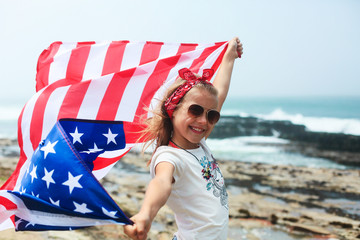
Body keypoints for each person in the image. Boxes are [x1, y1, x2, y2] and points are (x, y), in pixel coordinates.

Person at [124, 37, 243, 240]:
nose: (203, 121)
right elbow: (161, 182)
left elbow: (220, 93)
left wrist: (229, 57)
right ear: (173, 110)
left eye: (211, 115)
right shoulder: (169, 157)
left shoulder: (199, 143)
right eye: (195, 110)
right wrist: (146, 214)